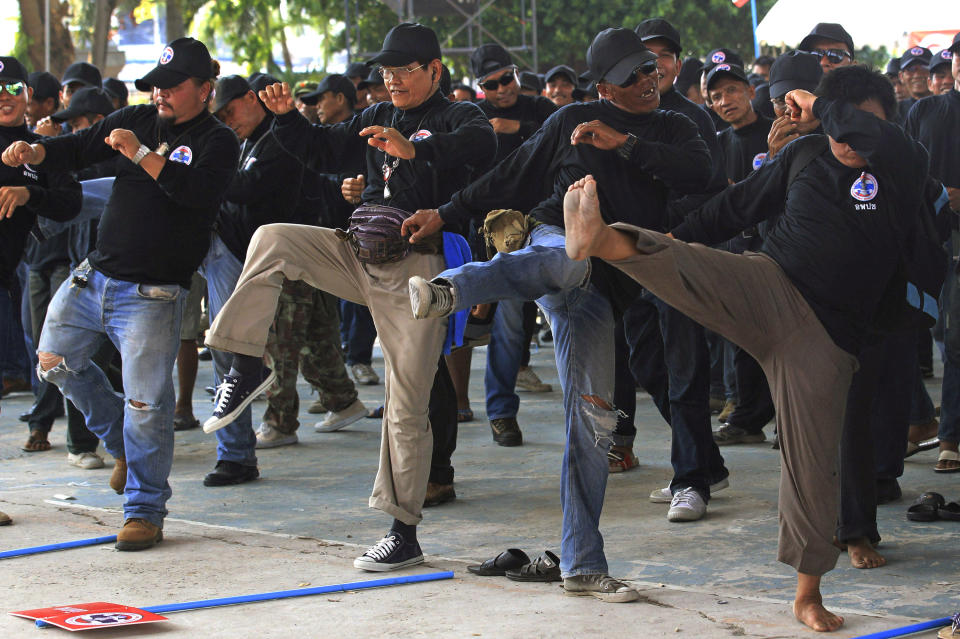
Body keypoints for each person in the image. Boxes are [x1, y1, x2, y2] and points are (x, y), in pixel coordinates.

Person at [560, 65, 932, 631]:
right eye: (840, 132)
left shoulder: (904, 163)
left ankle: (807, 595)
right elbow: (730, 212)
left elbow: (872, 135)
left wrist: (824, 107)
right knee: (695, 263)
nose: (850, 143)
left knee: (811, 469)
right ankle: (606, 239)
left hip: (830, 340)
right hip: (769, 287)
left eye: (859, 130)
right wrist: (676, 239)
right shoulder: (804, 156)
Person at [405, 28, 712, 600]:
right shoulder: (568, 119)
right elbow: (512, 174)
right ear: (603, 87)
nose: (647, 82)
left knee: (593, 424)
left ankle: (582, 562)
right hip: (554, 240)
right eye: (631, 78)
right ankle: (457, 286)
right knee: (569, 256)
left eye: (649, 70)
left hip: (605, 292)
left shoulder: (676, 125)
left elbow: (700, 175)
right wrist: (445, 214)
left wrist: (623, 145)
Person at [200, 23, 496, 571]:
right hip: (358, 254)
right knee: (272, 238)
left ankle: (402, 531)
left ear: (433, 69)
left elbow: (483, 145)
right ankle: (244, 362)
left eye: (403, 69)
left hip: (419, 274)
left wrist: (418, 151)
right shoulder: (374, 116)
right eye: (385, 72)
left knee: (406, 406)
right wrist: (285, 117)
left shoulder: (460, 116)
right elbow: (322, 148)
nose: (392, 79)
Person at [2, 37, 239, 550]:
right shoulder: (136, 117)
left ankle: (144, 511)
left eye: (173, 88)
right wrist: (37, 150)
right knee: (53, 362)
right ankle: (120, 443)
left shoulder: (219, 141)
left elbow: (196, 194)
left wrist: (141, 154)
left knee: (149, 405)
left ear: (205, 89)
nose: (161, 96)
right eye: (157, 86)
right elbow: (77, 148)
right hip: (94, 276)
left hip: (153, 293)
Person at [0, 53, 82, 515]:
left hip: (11, 277)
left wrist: (29, 190)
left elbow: (69, 202)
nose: (4, 99)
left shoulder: (40, 149)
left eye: (13, 88)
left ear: (28, 95)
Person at [468, 42, 557, 445]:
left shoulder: (539, 110)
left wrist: (517, 129)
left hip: (550, 227)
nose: (504, 89)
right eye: (493, 84)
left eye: (508, 78)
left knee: (576, 319)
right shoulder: (473, 118)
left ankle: (603, 421)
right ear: (480, 87)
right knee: (508, 329)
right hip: (503, 235)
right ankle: (502, 412)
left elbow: (564, 136)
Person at [702, 62, 776, 446]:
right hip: (735, 250)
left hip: (780, 248)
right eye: (716, 96)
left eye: (731, 90)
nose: (725, 100)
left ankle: (787, 416)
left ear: (750, 91)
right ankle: (748, 418)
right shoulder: (717, 144)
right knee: (743, 337)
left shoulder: (778, 131)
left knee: (785, 335)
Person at [905, 33, 960, 473]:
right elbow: (900, 170)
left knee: (955, 338)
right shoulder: (923, 111)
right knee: (917, 334)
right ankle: (923, 421)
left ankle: (951, 434)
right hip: (927, 238)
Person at [898, 46, 933, 119]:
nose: (917, 75)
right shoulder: (894, 111)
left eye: (924, 68)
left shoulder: (948, 107)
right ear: (901, 76)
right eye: (911, 69)